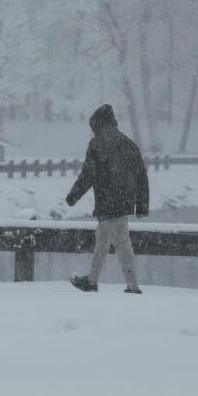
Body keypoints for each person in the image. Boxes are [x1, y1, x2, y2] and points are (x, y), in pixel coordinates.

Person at [64, 104, 149, 294]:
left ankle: (133, 286)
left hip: (107, 200)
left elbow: (88, 174)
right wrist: (142, 206)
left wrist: (74, 195)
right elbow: (141, 176)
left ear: (98, 125)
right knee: (102, 239)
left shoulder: (97, 144)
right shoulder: (129, 144)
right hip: (124, 200)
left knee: (121, 242)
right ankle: (92, 281)